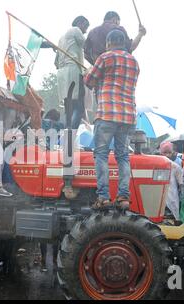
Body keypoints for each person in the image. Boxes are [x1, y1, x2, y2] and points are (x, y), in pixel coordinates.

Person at [84, 29, 140, 210]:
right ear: (123, 42)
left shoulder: (105, 57)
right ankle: (123, 197)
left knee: (101, 154)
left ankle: (103, 196)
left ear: (109, 43)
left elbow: (90, 80)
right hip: (127, 116)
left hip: (107, 113)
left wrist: (88, 70)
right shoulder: (134, 62)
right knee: (123, 156)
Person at [53, 16, 90, 129]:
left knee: (69, 109)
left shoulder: (61, 39)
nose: (85, 31)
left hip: (62, 75)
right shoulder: (75, 30)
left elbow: (56, 62)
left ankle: (66, 134)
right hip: (73, 72)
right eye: (85, 27)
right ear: (80, 23)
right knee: (79, 108)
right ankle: (70, 134)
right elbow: (87, 45)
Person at [160, 142, 183, 220]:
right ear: (161, 153)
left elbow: (181, 184)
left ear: (173, 153)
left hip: (172, 198)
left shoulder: (176, 167)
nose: (167, 155)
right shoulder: (154, 165)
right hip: (158, 197)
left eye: (169, 152)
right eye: (164, 152)